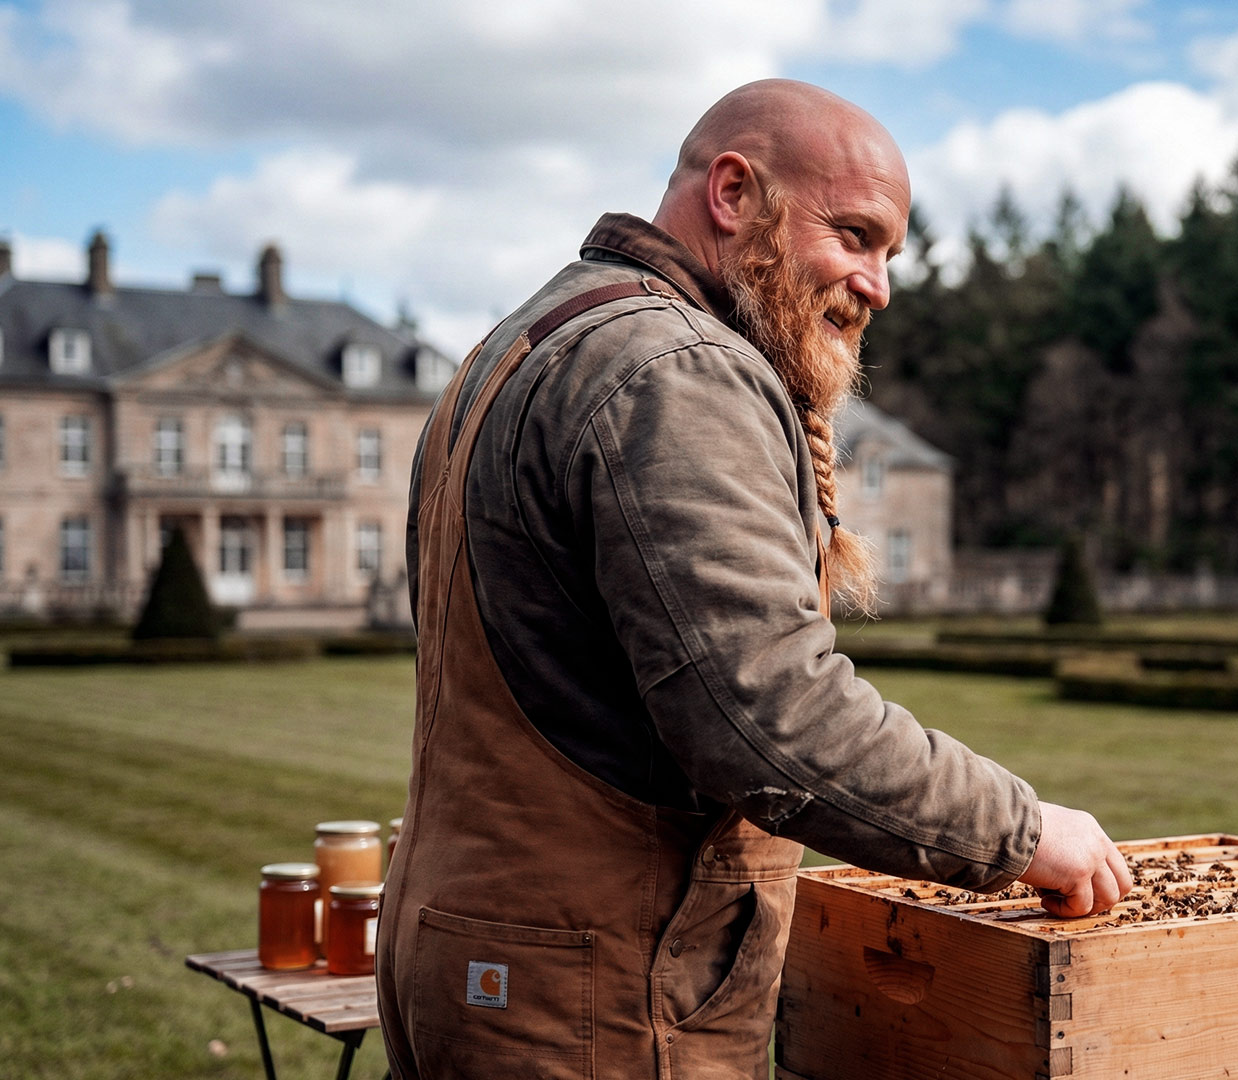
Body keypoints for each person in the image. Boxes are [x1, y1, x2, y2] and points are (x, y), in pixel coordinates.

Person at [375, 79, 1133, 1080]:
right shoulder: (673, 368)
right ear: (734, 194)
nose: (879, 287)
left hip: (490, 960)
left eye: (890, 254)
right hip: (600, 998)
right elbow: (772, 717)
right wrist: (1026, 830)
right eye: (856, 235)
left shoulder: (529, 335)